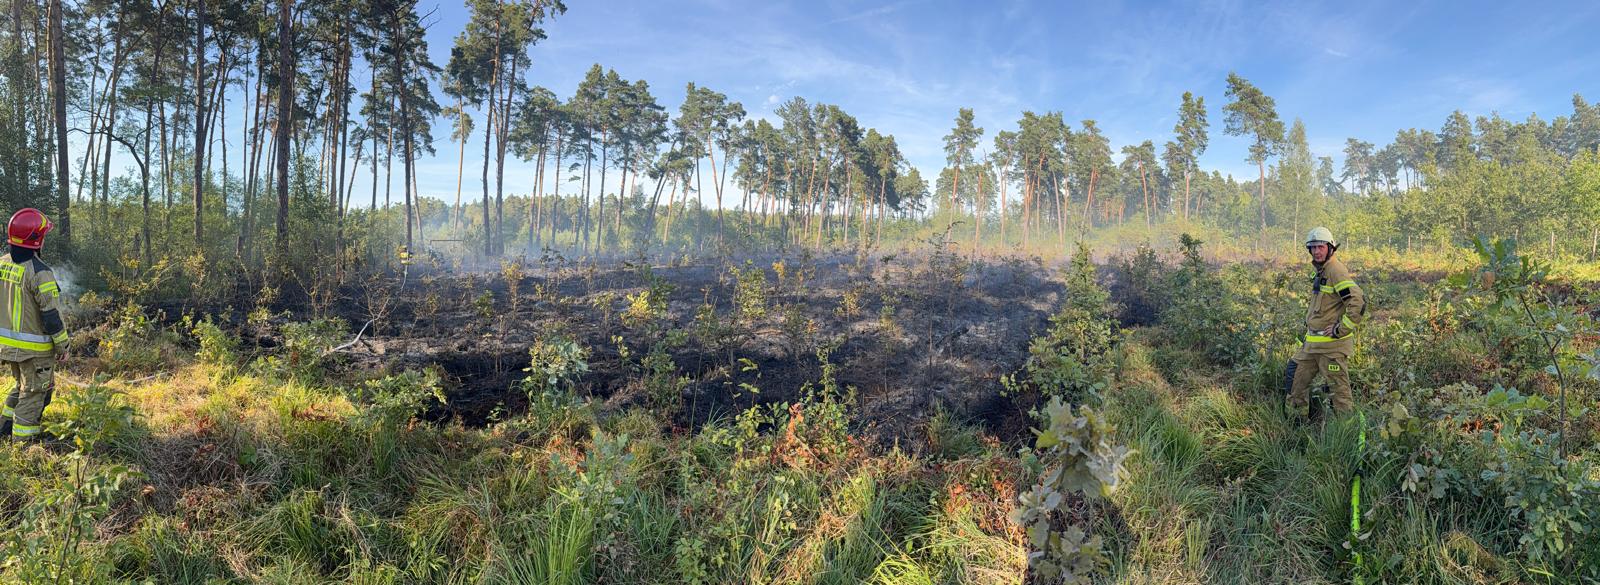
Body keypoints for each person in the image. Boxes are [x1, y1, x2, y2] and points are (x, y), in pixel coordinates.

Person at [0, 209, 70, 442]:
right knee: (34, 393)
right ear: (36, 239)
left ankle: (4, 428)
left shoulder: (2, 264)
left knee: (23, 386)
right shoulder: (40, 273)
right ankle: (24, 445)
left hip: (8, 346)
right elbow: (50, 316)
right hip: (34, 350)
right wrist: (63, 346)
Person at [1287, 226, 1365, 418]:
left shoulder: (1335, 270)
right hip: (1311, 346)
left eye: (1320, 247)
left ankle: (1344, 433)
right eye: (1313, 248)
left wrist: (1341, 329)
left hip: (1331, 348)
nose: (1316, 252)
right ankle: (1296, 427)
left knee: (1339, 394)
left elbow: (1358, 301)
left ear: (1330, 248)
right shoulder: (1321, 271)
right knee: (1294, 379)